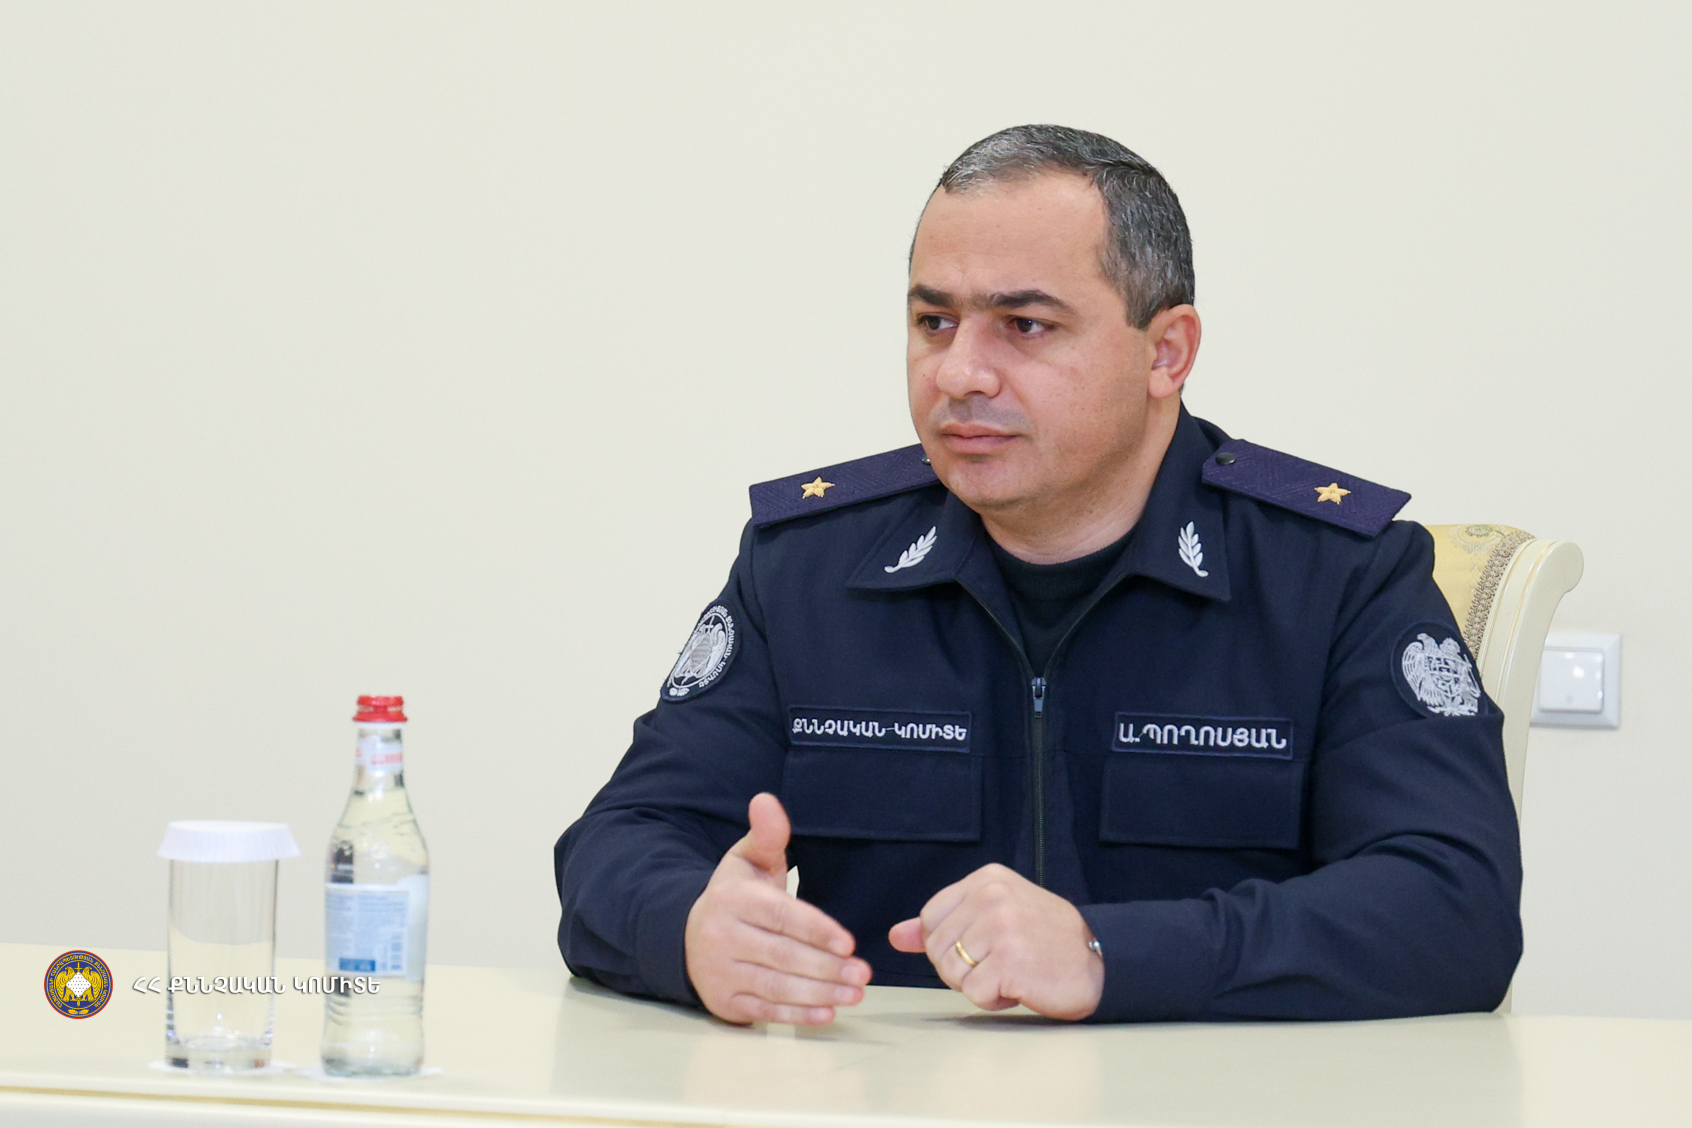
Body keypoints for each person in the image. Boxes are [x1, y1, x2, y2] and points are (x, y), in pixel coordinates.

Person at [554, 125, 1521, 1025]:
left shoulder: (1335, 574)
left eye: (1023, 325)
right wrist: (691, 928)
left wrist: (1111, 955)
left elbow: (1455, 907)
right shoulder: (809, 569)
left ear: (1167, 352)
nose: (959, 374)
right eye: (935, 321)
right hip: (892, 1106)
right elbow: (620, 841)